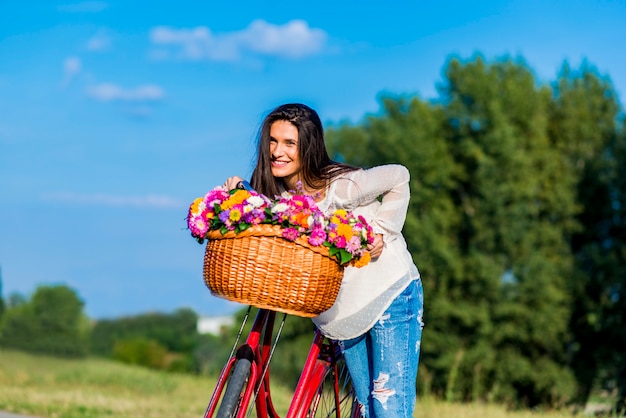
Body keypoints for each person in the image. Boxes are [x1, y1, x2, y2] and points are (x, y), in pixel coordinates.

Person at [224, 103, 424, 417]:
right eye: (273, 142)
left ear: (308, 147)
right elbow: (266, 214)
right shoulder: (284, 200)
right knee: (366, 406)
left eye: (290, 143)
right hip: (342, 314)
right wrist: (239, 191)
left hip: (390, 295)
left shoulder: (341, 186)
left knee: (387, 406)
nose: (278, 151)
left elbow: (399, 176)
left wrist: (381, 231)